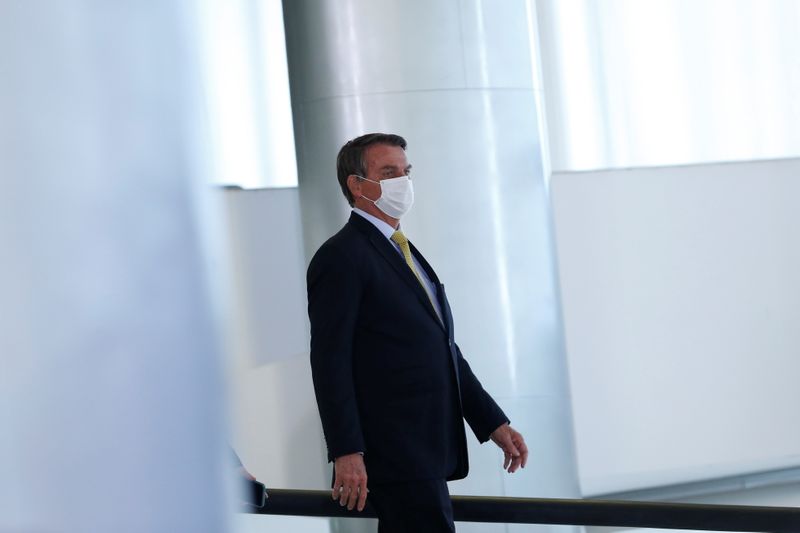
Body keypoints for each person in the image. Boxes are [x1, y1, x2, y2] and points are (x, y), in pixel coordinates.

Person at [307, 133, 528, 532]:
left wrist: (492, 422)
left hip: (427, 447)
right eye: (388, 173)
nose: (402, 182)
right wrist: (346, 450)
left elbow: (442, 347)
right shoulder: (342, 256)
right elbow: (329, 360)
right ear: (357, 185)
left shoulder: (400, 248)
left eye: (405, 172)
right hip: (395, 450)